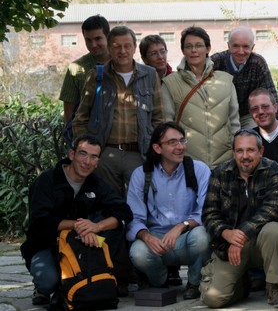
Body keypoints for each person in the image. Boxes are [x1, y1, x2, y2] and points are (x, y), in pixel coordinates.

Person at [20, 135, 133, 306]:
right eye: (83, 154)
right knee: (49, 281)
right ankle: (42, 287)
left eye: (94, 157)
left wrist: (96, 226)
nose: (87, 162)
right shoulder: (47, 180)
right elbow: (40, 222)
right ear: (72, 155)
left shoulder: (97, 184)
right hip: (46, 244)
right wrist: (78, 226)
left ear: (98, 162)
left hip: (81, 245)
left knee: (114, 230)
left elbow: (124, 212)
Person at [200, 129, 278, 309]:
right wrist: (226, 233)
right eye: (240, 151)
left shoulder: (272, 169)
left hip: (260, 242)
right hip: (230, 246)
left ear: (261, 151)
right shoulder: (221, 172)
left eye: (250, 150)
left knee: (274, 230)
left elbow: (272, 209)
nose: (245, 156)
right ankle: (242, 284)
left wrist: (240, 234)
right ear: (233, 153)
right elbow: (209, 213)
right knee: (213, 299)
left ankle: (274, 286)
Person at [73, 26, 164, 197]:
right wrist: (88, 152)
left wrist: (154, 151)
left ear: (134, 47)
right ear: (109, 48)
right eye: (116, 46)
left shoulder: (150, 74)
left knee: (140, 204)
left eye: (127, 46)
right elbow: (81, 118)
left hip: (139, 154)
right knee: (107, 205)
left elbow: (158, 118)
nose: (122, 51)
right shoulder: (97, 76)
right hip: (105, 155)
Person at [126, 122, 211, 300]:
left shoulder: (199, 169)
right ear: (157, 148)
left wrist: (181, 226)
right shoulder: (141, 174)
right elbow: (134, 218)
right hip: (157, 239)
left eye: (182, 141)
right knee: (138, 253)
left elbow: (206, 211)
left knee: (203, 236)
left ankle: (194, 283)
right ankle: (160, 280)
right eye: (172, 142)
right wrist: (147, 237)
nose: (180, 147)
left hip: (187, 237)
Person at [162, 26, 240, 169]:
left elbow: (234, 122)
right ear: (183, 51)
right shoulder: (170, 83)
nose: (194, 50)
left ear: (208, 48)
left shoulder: (225, 81)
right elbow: (167, 124)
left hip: (225, 161)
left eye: (198, 46)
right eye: (188, 46)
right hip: (187, 163)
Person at [139, 34, 181, 286]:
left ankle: (174, 266)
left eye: (163, 51)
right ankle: (147, 265)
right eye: (153, 53)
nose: (160, 56)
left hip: (172, 146)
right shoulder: (142, 78)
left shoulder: (173, 77)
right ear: (144, 58)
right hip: (149, 148)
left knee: (173, 204)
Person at [211, 26, 278, 128]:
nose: (240, 51)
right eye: (236, 46)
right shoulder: (215, 62)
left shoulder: (257, 63)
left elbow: (271, 94)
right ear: (229, 46)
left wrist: (274, 126)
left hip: (248, 115)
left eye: (245, 47)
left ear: (252, 47)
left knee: (254, 135)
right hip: (220, 115)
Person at [59, 15, 111, 143]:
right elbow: (69, 110)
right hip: (87, 139)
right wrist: (74, 141)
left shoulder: (121, 63)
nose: (93, 45)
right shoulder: (76, 68)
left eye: (98, 39)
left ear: (108, 37)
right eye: (88, 40)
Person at [249, 88, 278, 165]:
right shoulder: (250, 138)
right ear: (250, 113)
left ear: (275, 107)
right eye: (255, 109)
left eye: (265, 107)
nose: (260, 112)